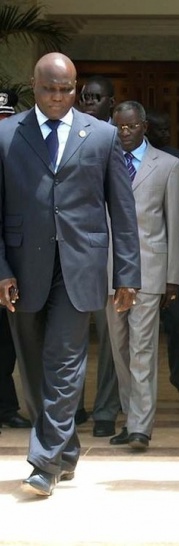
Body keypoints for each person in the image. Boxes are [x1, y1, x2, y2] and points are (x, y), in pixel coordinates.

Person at [0, 52, 140, 496]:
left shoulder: (101, 135)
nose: (58, 97)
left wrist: (127, 274)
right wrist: (1, 270)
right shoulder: (6, 134)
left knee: (64, 362)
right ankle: (66, 451)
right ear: (34, 86)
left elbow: (123, 209)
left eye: (66, 90)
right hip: (24, 269)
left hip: (81, 268)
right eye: (49, 89)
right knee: (32, 368)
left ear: (75, 88)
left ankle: (43, 462)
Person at [106, 101, 179, 451]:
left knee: (142, 348)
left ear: (144, 126)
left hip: (150, 271)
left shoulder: (168, 165)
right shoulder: (103, 161)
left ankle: (140, 426)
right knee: (119, 349)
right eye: (119, 127)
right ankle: (129, 416)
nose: (125, 132)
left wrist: (172, 277)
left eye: (131, 126)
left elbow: (174, 224)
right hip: (110, 270)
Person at [74, 75, 122, 437]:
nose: (89, 103)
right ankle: (72, 407)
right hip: (74, 258)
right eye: (85, 97)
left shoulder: (118, 139)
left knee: (110, 343)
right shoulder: (69, 136)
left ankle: (106, 409)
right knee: (70, 339)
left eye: (96, 97)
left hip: (109, 259)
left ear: (111, 102)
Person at [145, 109, 179, 404]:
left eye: (167, 129)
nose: (165, 134)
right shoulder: (129, 156)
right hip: (141, 252)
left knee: (177, 320)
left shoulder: (176, 158)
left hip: (171, 251)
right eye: (160, 129)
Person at [0, 89, 32, 433]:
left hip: (11, 266)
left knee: (6, 345)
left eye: (5, 118)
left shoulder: (18, 155)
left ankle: (6, 407)